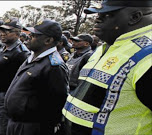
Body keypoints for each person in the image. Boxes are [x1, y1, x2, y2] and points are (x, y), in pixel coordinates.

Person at [63, 1, 152, 134]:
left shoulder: (148, 56)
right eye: (99, 13)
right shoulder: (104, 48)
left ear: (135, 17)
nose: (98, 18)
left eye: (108, 14)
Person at [5, 19, 69, 135]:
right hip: (16, 123)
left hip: (32, 127)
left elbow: (57, 103)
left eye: (34, 35)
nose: (28, 37)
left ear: (48, 40)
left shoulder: (54, 66)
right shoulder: (33, 57)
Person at [0, 18, 30, 135]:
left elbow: (22, 80)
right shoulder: (2, 48)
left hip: (2, 97)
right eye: (1, 31)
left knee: (1, 129)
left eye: (7, 31)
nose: (2, 34)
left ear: (18, 33)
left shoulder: (21, 53)